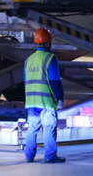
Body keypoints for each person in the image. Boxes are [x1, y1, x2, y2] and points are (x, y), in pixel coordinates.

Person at [24, 27, 66, 164]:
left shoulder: (28, 60)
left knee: (32, 129)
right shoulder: (50, 58)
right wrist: (60, 98)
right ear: (48, 42)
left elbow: (25, 80)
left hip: (31, 101)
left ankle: (29, 156)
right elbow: (55, 81)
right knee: (49, 128)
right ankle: (50, 156)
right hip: (47, 101)